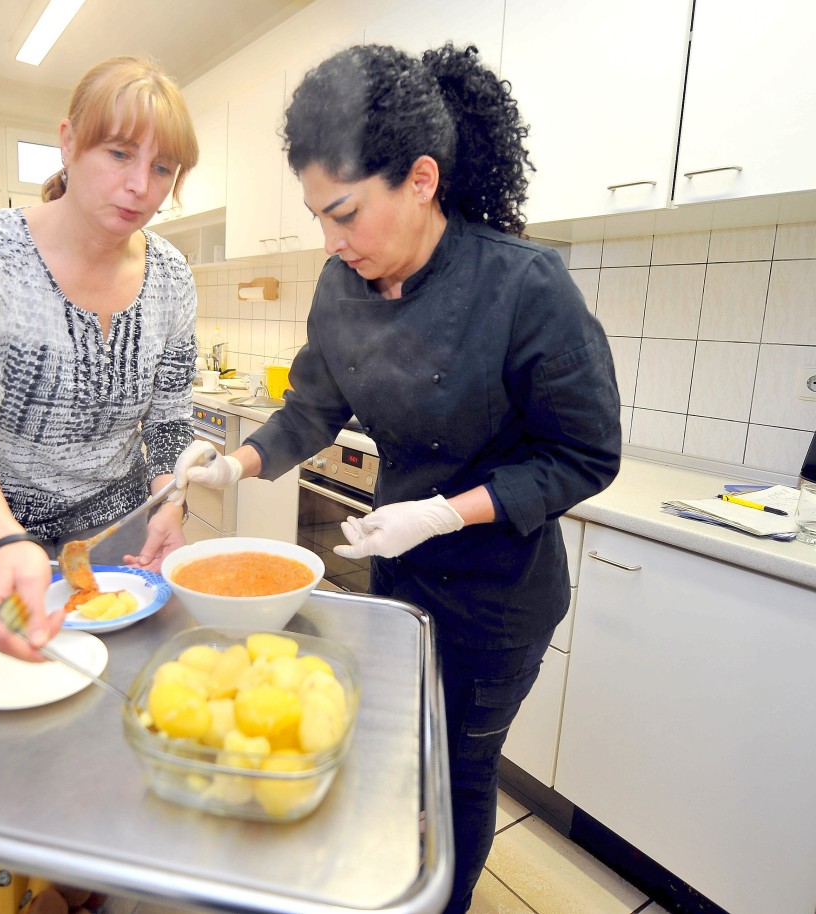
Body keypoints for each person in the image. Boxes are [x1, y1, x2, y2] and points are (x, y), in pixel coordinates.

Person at [175, 43, 621, 913]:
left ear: (421, 180)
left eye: (345, 214)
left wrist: (445, 515)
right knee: (394, 755)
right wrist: (234, 460)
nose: (333, 244)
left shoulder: (525, 287)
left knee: (456, 774)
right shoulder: (343, 288)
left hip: (498, 600)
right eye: (319, 219)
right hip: (401, 583)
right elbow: (311, 406)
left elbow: (584, 455)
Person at [0, 56, 200, 663]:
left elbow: (171, 423)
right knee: (6, 684)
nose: (140, 186)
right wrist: (3, 540)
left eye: (162, 167)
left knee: (114, 692)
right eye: (119, 153)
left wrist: (172, 503)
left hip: (114, 536)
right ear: (68, 142)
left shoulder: (171, 275)